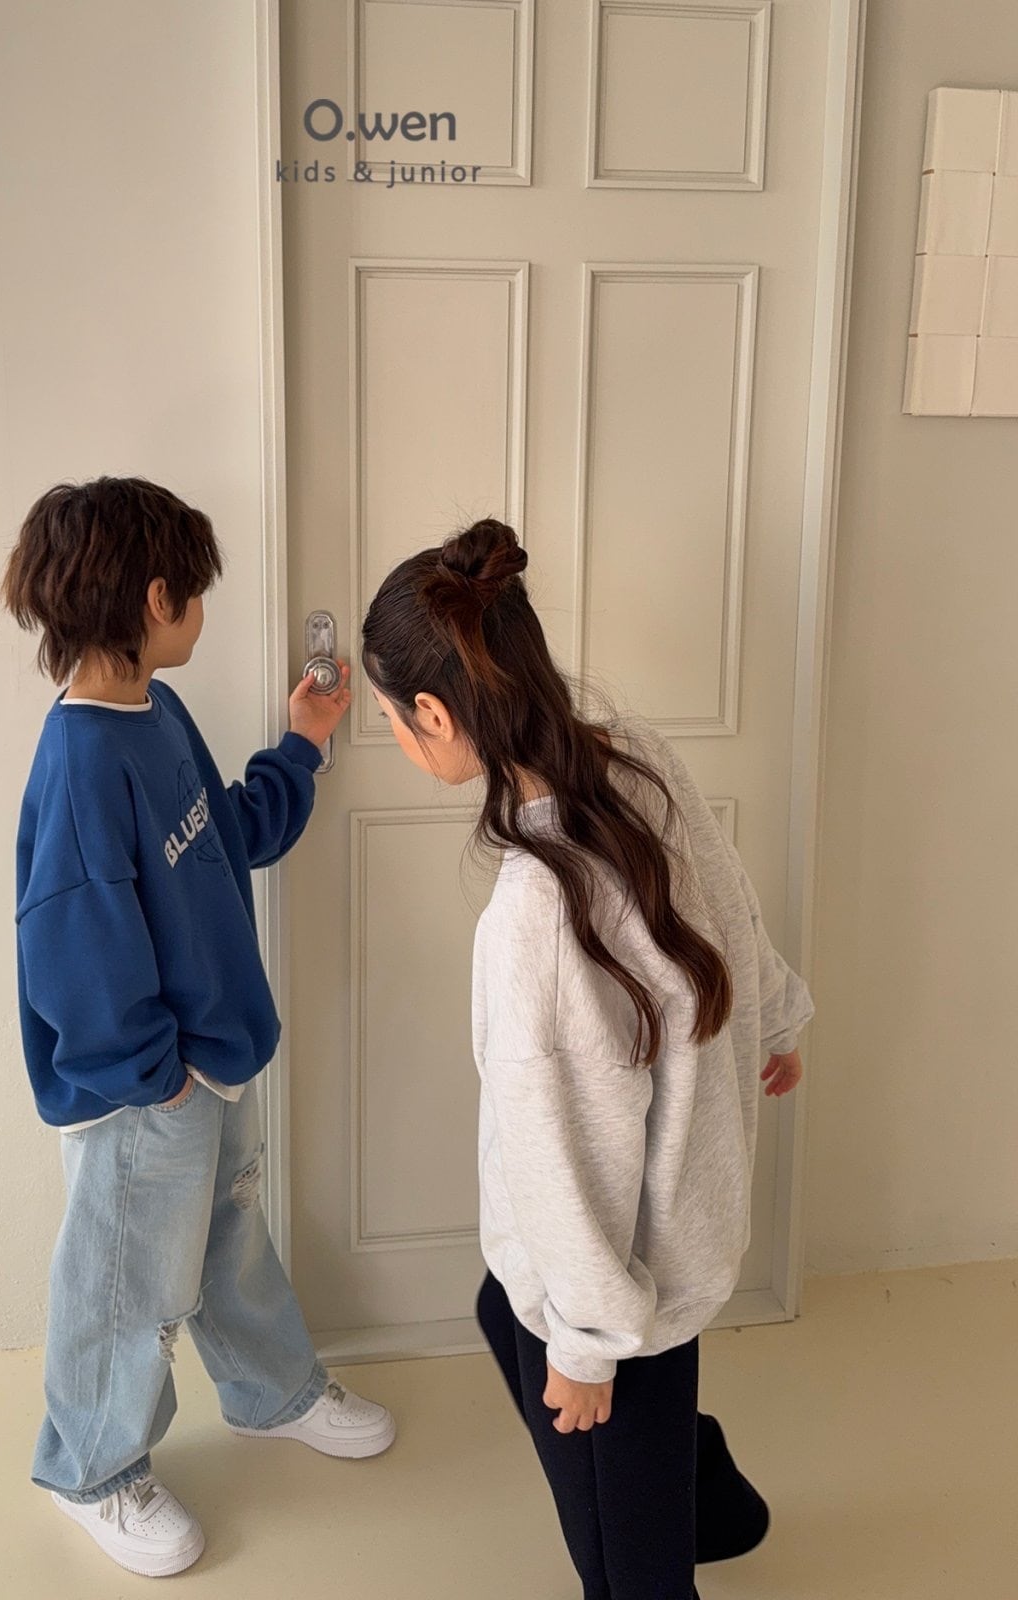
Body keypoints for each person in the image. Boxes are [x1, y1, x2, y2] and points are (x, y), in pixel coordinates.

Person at [360, 517, 812, 1600]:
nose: (394, 736)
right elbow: (728, 896)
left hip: (624, 1276)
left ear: (434, 714)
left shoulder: (533, 919)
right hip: (674, 1217)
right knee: (497, 1306)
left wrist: (586, 1345)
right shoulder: (630, 753)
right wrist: (775, 1015)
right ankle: (707, 1495)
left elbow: (570, 1158)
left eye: (389, 719)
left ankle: (672, 1495)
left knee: (627, 1574)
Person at [2, 476, 394, 1579]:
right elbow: (70, 948)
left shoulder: (155, 714)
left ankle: (272, 1393)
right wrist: (154, 1079)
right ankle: (90, 1469)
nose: (204, 612)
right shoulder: (79, 762)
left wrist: (301, 744)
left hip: (214, 1060)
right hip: (147, 1088)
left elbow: (223, 835)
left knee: (230, 1236)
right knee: (127, 1283)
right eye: (196, 592)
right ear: (155, 597)